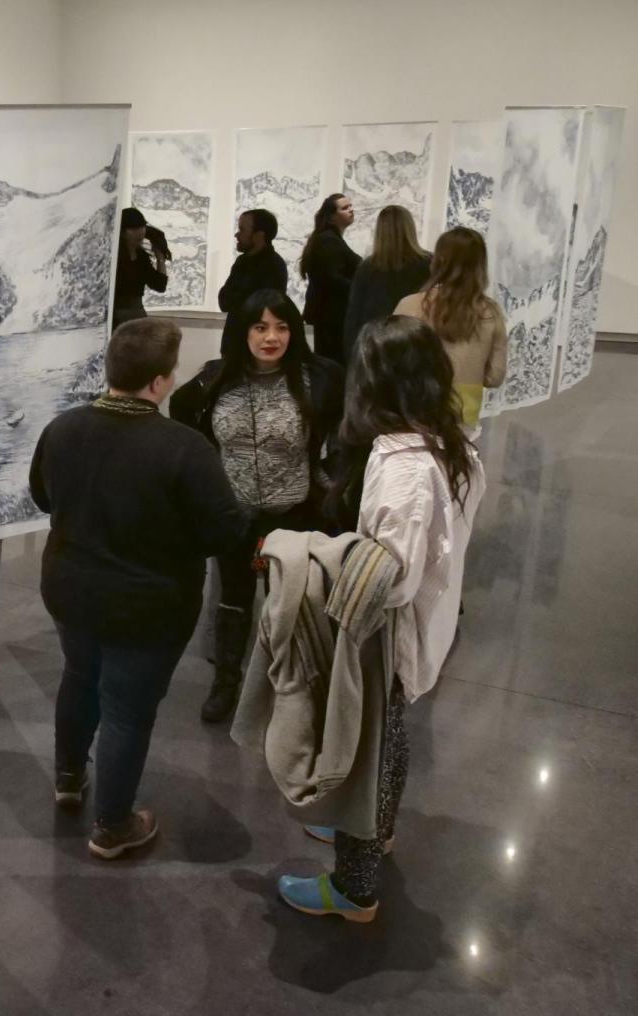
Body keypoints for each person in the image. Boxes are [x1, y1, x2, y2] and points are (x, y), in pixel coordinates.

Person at [277, 314, 485, 923]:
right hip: (424, 623)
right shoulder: (450, 441)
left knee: (364, 747)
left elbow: (390, 578)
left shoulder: (403, 467)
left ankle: (354, 886)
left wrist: (310, 558)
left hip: (390, 631)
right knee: (389, 736)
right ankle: (378, 832)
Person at [30, 318, 248, 859]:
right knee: (127, 709)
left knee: (79, 678)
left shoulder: (62, 429)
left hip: (70, 588)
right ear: (158, 382)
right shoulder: (184, 448)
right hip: (149, 603)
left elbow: (42, 498)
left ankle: (67, 776)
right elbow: (224, 531)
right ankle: (112, 824)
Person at [170, 289, 345, 724]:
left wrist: (330, 485)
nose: (272, 337)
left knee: (290, 602)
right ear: (243, 332)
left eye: (282, 327)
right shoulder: (214, 381)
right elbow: (183, 421)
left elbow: (341, 440)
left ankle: (293, 689)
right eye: (261, 327)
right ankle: (227, 681)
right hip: (235, 516)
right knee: (233, 597)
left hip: (295, 515)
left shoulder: (317, 380)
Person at [394, 227, 508, 429]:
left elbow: (390, 365)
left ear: (437, 261)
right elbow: (495, 377)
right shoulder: (491, 312)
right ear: (480, 266)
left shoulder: (409, 305)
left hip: (415, 410)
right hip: (464, 415)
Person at [342, 205, 432, 362]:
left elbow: (354, 315)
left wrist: (351, 355)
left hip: (375, 346)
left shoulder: (368, 267)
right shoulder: (429, 263)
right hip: (417, 345)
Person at [300, 194, 361, 364]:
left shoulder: (329, 239)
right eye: (345, 208)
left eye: (350, 206)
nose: (351, 210)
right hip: (331, 319)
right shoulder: (328, 241)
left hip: (329, 317)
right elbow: (332, 279)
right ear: (332, 216)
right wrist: (360, 289)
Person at [218, 208, 289, 318]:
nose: (236, 235)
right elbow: (225, 301)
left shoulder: (274, 266)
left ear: (259, 236)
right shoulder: (241, 261)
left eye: (242, 230)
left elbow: (260, 309)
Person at [111, 207, 170, 327]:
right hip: (115, 316)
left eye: (142, 227)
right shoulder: (113, 256)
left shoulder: (141, 256)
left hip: (137, 314)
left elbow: (159, 285)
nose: (140, 232)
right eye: (133, 228)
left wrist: (160, 258)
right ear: (122, 231)